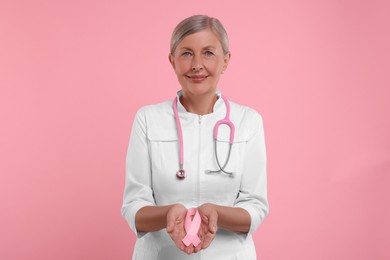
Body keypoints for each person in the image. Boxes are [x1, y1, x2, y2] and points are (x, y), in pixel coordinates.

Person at [121, 14, 269, 260]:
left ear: (226, 60)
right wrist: (170, 214)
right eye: (186, 53)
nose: (196, 64)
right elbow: (133, 206)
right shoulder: (148, 119)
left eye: (209, 53)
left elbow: (256, 207)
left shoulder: (248, 122)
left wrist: (216, 214)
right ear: (172, 60)